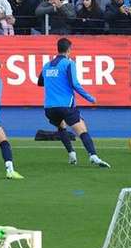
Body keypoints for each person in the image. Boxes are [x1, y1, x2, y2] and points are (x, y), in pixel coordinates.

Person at [36, 37, 110, 168]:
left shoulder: (47, 65)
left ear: (58, 49)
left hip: (49, 107)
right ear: (69, 49)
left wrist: (53, 81)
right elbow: (75, 84)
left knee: (61, 127)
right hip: (65, 105)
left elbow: (40, 82)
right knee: (82, 130)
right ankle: (93, 155)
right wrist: (90, 98)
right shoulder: (69, 63)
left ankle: (71, 154)